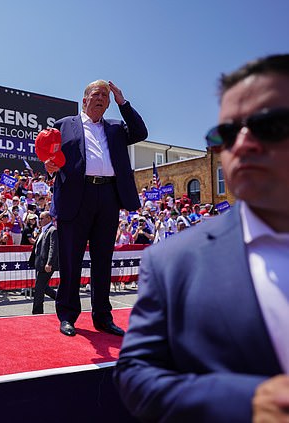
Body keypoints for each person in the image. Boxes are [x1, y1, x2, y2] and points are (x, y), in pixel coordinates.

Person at [114, 54, 289, 423]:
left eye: (268, 125)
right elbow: (137, 375)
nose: (241, 144)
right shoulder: (172, 263)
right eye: (225, 135)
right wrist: (246, 402)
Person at [45, 80, 148, 337]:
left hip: (108, 196)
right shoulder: (64, 125)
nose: (101, 98)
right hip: (75, 197)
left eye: (105, 95)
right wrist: (47, 166)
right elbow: (47, 156)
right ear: (84, 99)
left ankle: (102, 317)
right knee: (71, 260)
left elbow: (140, 132)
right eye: (96, 94)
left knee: (103, 260)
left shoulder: (116, 127)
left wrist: (123, 102)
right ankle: (67, 315)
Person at [28, 211, 58, 314]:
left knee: (39, 288)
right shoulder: (43, 230)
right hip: (40, 263)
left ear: (49, 219)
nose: (39, 221)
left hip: (46, 264)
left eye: (42, 218)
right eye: (39, 219)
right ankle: (61, 300)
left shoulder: (52, 230)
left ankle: (37, 312)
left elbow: (53, 248)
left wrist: (49, 263)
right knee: (43, 286)